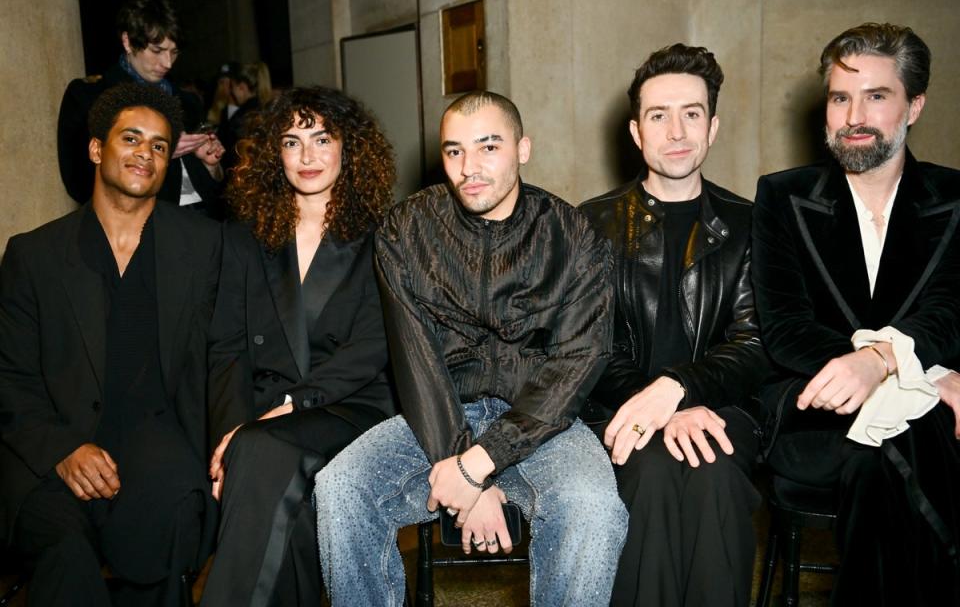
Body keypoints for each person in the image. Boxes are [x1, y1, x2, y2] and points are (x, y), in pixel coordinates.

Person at [313, 91, 627, 606]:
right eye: (454, 151)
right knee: (340, 487)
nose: (469, 168)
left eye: (488, 147)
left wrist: (479, 463)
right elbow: (416, 361)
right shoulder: (406, 229)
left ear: (522, 149)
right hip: (437, 412)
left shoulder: (575, 235)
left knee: (593, 506)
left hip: (541, 419)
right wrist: (465, 472)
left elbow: (578, 363)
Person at [753, 22, 960, 605]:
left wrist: (888, 363)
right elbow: (787, 328)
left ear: (914, 106)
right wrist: (899, 364)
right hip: (814, 406)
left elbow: (950, 310)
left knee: (886, 458)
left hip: (926, 418)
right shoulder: (782, 196)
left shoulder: (954, 200)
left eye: (877, 96)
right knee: (905, 446)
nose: (854, 116)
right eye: (841, 97)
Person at [0, 83, 221, 607]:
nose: (145, 153)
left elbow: (224, 358)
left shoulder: (204, 247)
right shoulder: (33, 256)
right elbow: (9, 377)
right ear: (97, 148)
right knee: (66, 557)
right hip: (49, 453)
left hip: (154, 444)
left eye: (160, 145)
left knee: (171, 514)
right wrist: (62, 449)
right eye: (131, 138)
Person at [579, 44, 768, 607]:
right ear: (637, 132)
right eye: (659, 115)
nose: (677, 130)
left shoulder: (751, 224)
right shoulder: (591, 224)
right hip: (621, 409)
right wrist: (655, 405)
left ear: (713, 126)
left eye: (692, 113)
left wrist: (682, 393)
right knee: (654, 472)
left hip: (726, 408)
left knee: (712, 470)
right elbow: (591, 348)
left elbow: (754, 345)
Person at [200, 87, 397, 606]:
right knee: (287, 500)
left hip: (349, 407)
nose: (307, 156)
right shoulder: (244, 238)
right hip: (266, 416)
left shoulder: (385, 237)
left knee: (262, 452)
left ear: (349, 147)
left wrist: (284, 410)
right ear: (275, 154)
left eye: (321, 139)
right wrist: (228, 439)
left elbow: (373, 348)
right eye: (291, 142)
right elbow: (226, 350)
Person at [57, 0, 226, 218]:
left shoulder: (188, 102)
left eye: (173, 52)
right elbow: (78, 181)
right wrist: (159, 152)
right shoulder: (89, 96)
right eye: (156, 51)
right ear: (128, 42)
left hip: (203, 224)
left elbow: (210, 189)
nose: (167, 63)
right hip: (143, 228)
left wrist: (210, 165)